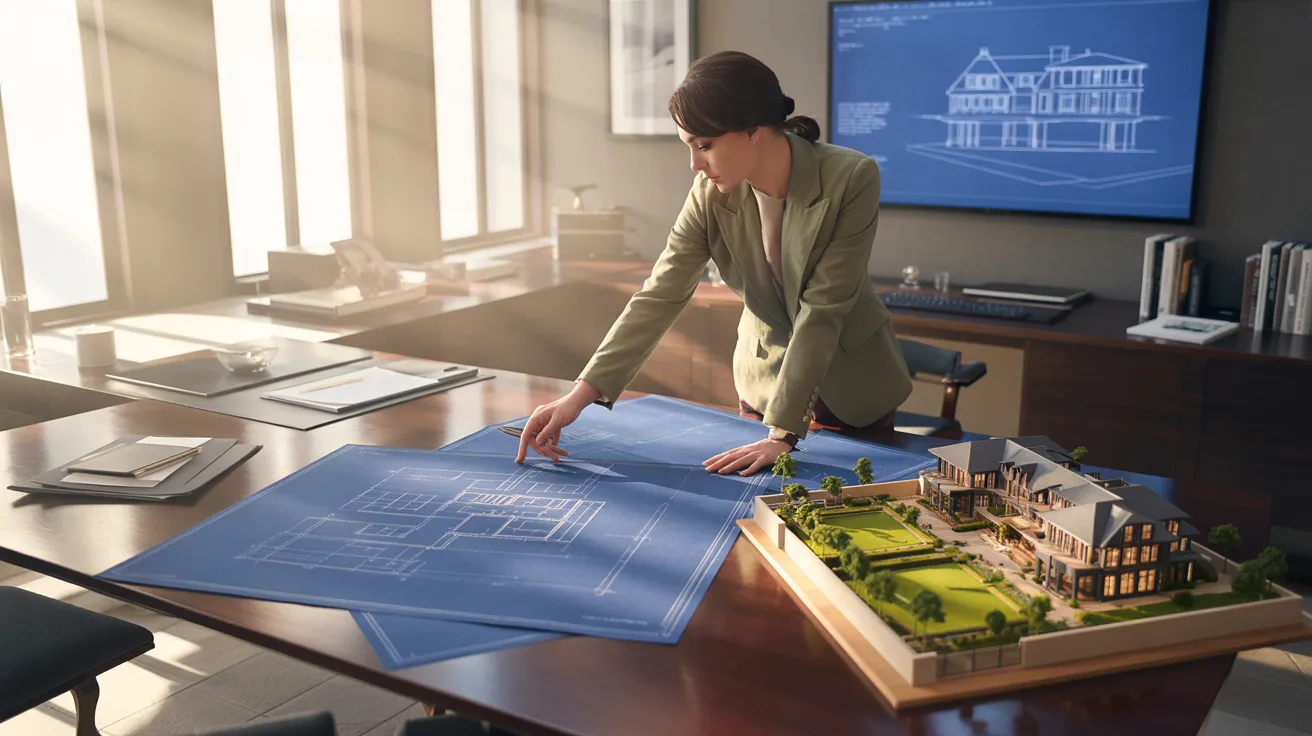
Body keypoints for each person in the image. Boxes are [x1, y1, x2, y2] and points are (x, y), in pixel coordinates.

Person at [516, 50, 911, 475]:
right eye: (689, 146)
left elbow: (823, 307)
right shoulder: (708, 194)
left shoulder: (851, 177)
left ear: (753, 130)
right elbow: (660, 294)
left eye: (704, 145)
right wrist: (579, 396)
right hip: (762, 384)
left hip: (852, 387)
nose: (695, 164)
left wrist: (782, 434)